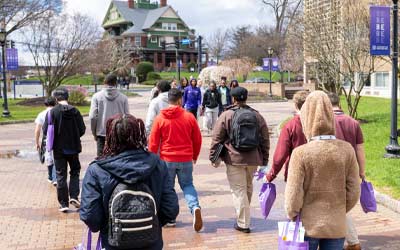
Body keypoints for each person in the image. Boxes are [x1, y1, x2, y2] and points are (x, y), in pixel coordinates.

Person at [80, 114, 179, 250]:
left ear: (110, 137)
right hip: (151, 242)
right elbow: (170, 210)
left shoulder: (96, 170)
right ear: (139, 135)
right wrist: (150, 222)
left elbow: (90, 215)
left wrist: (109, 226)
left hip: (114, 242)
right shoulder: (158, 165)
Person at [285, 91, 360, 250]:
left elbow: (293, 195)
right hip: (336, 224)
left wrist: (292, 214)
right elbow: (354, 191)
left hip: (307, 225)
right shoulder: (347, 150)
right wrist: (339, 209)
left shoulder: (300, 153)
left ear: (306, 118)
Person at [210, 87, 270, 233]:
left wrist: (213, 157)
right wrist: (265, 159)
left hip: (234, 158)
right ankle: (245, 216)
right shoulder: (257, 115)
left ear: (233, 99)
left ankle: (243, 223)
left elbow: (216, 138)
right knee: (248, 187)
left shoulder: (226, 115)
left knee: (239, 190)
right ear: (246, 98)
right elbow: (265, 139)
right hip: (253, 159)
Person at [148, 88, 203, 232]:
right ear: (180, 100)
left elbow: (153, 142)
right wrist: (195, 155)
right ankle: (194, 207)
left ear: (169, 100)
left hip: (167, 159)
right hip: (185, 158)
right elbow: (197, 139)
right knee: (187, 185)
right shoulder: (189, 117)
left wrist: (152, 159)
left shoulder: (160, 118)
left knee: (167, 188)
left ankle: (170, 218)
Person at [328, 92, 365, 250]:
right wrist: (362, 171)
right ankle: (349, 240)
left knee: (338, 205)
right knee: (342, 204)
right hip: (351, 169)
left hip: (333, 170)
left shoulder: (327, 123)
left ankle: (352, 240)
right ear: (339, 103)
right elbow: (360, 150)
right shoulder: (353, 122)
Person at [43, 88, 86, 212]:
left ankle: (63, 203)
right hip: (74, 148)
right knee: (75, 172)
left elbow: (46, 131)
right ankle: (74, 196)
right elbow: (82, 129)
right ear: (68, 98)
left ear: (56, 99)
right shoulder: (75, 111)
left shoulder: (52, 112)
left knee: (61, 175)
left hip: (58, 149)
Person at [265, 91, 308, 182]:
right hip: (316, 173)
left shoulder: (290, 126)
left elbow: (280, 155)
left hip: (295, 172)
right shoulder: (319, 124)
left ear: (296, 106)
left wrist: (272, 174)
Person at [89, 73, 129, 157]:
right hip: (119, 134)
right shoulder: (123, 98)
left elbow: (93, 117)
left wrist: (94, 133)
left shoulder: (96, 97)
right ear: (116, 83)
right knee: (118, 160)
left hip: (102, 133)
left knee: (101, 161)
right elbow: (127, 117)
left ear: (104, 82)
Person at [35, 96, 57, 186]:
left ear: (45, 104)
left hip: (46, 138)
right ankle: (54, 177)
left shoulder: (41, 114)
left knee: (48, 157)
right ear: (55, 103)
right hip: (57, 137)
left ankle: (51, 176)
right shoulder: (57, 112)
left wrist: (37, 142)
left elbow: (37, 130)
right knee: (57, 157)